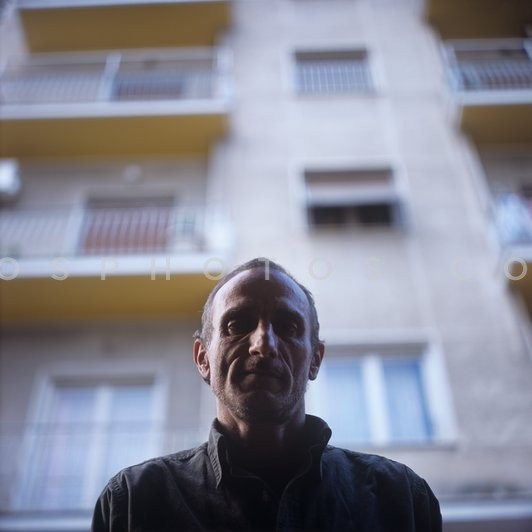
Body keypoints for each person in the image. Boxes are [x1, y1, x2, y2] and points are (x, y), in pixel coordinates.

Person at [92, 258, 442, 531]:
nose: (264, 344)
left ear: (315, 359)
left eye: (288, 326)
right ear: (203, 358)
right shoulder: (133, 503)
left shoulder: (402, 500)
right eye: (236, 324)